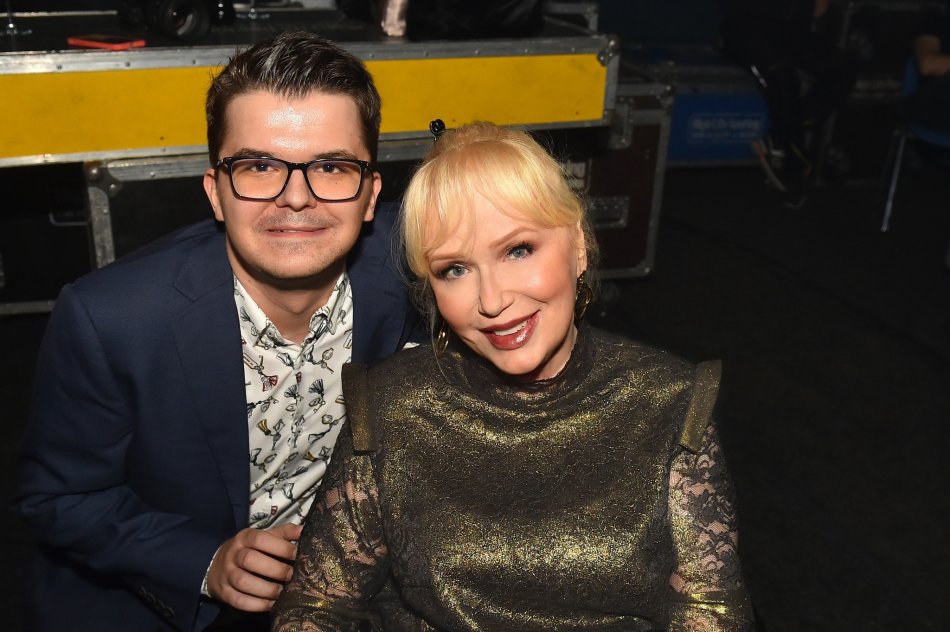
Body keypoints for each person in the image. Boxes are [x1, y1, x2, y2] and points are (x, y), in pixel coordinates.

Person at [271, 122, 754, 631]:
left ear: (577, 246)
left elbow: (709, 611)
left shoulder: (668, 401)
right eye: (455, 269)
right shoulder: (392, 407)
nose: (493, 300)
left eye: (518, 250)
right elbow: (319, 607)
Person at [14, 31, 421, 631]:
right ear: (215, 192)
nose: (296, 198)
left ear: (370, 196)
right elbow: (58, 498)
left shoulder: (412, 265)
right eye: (259, 166)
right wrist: (204, 562)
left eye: (331, 167)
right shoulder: (113, 318)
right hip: (160, 603)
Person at [718, 0, 857, 207]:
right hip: (746, 29)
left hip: (791, 32)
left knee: (844, 68)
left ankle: (787, 136)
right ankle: (790, 163)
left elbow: (819, 10)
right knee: (783, 77)